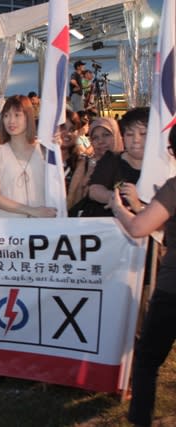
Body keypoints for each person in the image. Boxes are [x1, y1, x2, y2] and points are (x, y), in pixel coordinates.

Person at [108, 125, 176, 427]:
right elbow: (161, 224)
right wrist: (140, 207)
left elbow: (138, 228)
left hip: (173, 289)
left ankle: (140, 421)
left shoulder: (174, 187)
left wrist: (119, 208)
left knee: (147, 359)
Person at [0, 95, 56, 218]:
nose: (11, 121)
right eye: (6, 115)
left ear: (28, 117)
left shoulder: (44, 150)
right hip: (6, 227)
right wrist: (31, 210)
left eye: (17, 115)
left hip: (40, 228)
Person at [86, 108, 148, 217]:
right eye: (129, 134)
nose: (136, 140)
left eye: (143, 134)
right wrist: (114, 197)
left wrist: (138, 206)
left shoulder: (167, 167)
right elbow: (94, 189)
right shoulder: (111, 159)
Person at [67, 117, 123, 213]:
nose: (100, 141)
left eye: (106, 135)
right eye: (95, 138)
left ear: (117, 135)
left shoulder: (129, 163)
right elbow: (72, 200)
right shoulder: (86, 164)